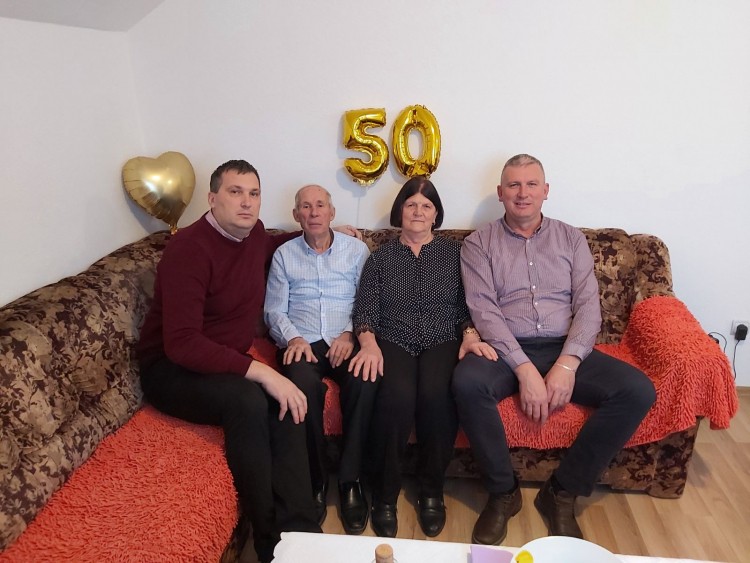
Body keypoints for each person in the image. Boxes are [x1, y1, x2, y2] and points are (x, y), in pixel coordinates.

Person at [137, 160, 358, 563]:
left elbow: (271, 245)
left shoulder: (252, 233)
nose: (246, 202)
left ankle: (302, 535)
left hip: (223, 360)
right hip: (171, 369)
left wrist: (323, 231)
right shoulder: (188, 250)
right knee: (250, 401)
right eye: (235, 192)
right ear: (212, 198)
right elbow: (182, 343)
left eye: (253, 194)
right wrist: (263, 373)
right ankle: (268, 541)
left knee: (288, 403)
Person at [452, 154, 656, 545]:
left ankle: (562, 492)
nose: (522, 193)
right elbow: (484, 311)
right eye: (513, 185)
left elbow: (589, 306)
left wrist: (567, 364)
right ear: (500, 192)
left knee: (637, 390)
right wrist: (524, 369)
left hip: (564, 345)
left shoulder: (571, 238)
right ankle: (503, 492)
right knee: (466, 383)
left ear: (546, 191)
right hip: (506, 347)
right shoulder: (478, 244)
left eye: (531, 184)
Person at [348, 176, 497, 538]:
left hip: (442, 337)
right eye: (411, 204)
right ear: (400, 211)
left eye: (426, 205)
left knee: (436, 395)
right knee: (395, 397)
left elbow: (466, 304)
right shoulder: (380, 258)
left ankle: (431, 491)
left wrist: (469, 335)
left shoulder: (454, 254)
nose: (418, 211)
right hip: (392, 339)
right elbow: (365, 309)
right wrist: (368, 343)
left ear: (435, 214)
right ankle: (385, 496)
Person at [264, 184, 377, 535]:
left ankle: (350, 481)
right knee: (300, 387)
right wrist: (293, 338)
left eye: (320, 205)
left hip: (346, 338)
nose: (313, 212)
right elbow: (274, 310)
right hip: (303, 341)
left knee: (365, 379)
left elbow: (368, 300)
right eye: (305, 207)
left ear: (332, 212)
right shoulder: (284, 255)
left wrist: (350, 333)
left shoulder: (356, 251)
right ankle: (315, 481)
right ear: (296, 215)